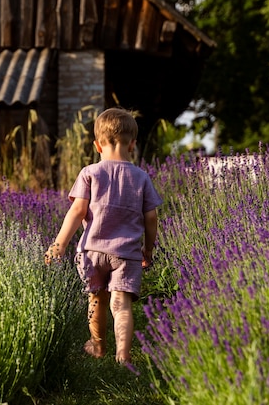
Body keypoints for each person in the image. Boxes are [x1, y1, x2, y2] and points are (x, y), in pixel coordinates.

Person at [45, 108, 162, 365]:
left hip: (92, 251)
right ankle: (123, 353)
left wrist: (59, 244)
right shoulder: (141, 177)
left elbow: (78, 211)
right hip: (126, 254)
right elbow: (151, 218)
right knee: (121, 304)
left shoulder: (90, 173)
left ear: (97, 145)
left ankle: (98, 347)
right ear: (132, 144)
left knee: (96, 299)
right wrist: (149, 250)